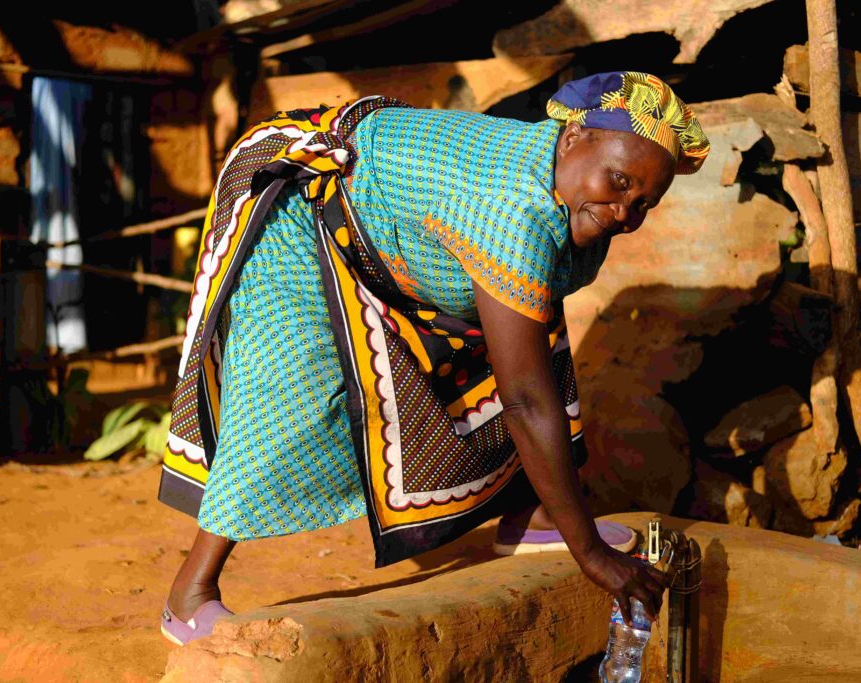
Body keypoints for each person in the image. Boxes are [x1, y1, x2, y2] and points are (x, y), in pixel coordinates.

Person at [157, 71, 709, 645]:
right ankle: (188, 592)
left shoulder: (561, 190)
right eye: (618, 182)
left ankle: (529, 515)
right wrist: (592, 555)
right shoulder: (509, 208)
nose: (624, 212)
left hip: (390, 238)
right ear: (571, 139)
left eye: (643, 202)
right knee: (293, 393)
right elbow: (523, 400)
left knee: (530, 336)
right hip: (302, 212)